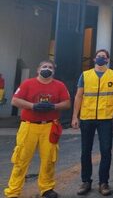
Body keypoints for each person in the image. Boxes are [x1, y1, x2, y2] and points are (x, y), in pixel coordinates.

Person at [71, 49, 113, 196]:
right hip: (87, 118)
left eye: (103, 57)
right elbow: (78, 96)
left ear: (107, 60)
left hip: (105, 119)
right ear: (94, 59)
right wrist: (75, 116)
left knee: (106, 151)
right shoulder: (85, 75)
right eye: (98, 56)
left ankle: (103, 183)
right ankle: (86, 182)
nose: (101, 58)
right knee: (85, 151)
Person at [4, 60, 71, 198]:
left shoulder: (59, 86)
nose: (47, 69)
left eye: (50, 67)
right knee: (21, 159)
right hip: (29, 126)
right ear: (38, 69)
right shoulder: (27, 83)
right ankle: (13, 191)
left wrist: (54, 106)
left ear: (54, 71)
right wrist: (32, 106)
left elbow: (67, 103)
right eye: (44, 66)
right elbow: (15, 100)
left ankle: (46, 188)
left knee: (49, 159)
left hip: (49, 126)